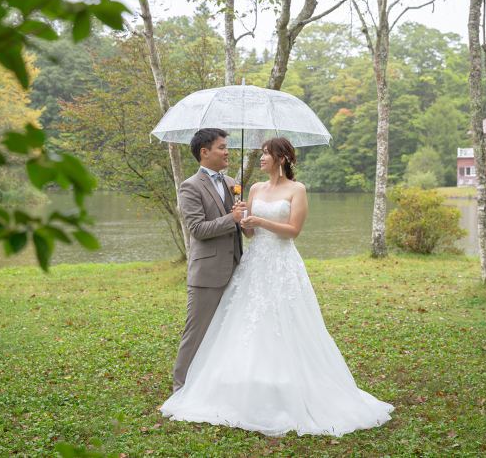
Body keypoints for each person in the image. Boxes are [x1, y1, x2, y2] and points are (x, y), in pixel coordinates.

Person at [161, 137, 394, 436]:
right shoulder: (253, 188)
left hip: (283, 264)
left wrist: (258, 221)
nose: (261, 159)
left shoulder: (297, 190)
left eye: (266, 154)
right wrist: (245, 223)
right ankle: (205, 385)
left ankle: (285, 386)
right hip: (254, 264)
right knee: (242, 324)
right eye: (260, 154)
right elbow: (247, 233)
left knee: (286, 323)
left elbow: (293, 231)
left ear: (281, 158)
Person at [172, 128, 247, 393]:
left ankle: (215, 386)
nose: (227, 152)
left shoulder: (231, 182)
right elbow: (198, 230)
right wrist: (232, 219)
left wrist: (244, 218)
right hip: (208, 272)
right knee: (196, 333)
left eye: (227, 147)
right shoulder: (191, 186)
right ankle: (180, 390)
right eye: (221, 147)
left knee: (227, 331)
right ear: (204, 153)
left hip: (237, 268)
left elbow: (237, 225)